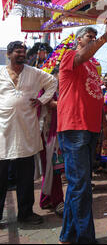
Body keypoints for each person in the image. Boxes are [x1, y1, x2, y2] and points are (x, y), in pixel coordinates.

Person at [57, 26, 107, 244]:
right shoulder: (70, 56)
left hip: (90, 128)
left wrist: (105, 126)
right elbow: (83, 54)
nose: (93, 41)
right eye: (90, 37)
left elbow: (97, 96)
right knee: (81, 184)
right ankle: (85, 238)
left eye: (95, 38)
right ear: (78, 40)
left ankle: (67, 236)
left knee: (79, 183)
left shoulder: (94, 66)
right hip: (74, 127)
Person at [0, 41, 57, 225]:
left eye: (23, 52)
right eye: (18, 51)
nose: (22, 54)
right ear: (8, 54)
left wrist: (42, 100)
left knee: (25, 176)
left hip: (27, 130)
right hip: (3, 131)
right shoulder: (1, 73)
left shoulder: (33, 73)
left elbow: (53, 82)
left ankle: (25, 213)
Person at [39, 67, 65, 217]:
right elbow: (50, 104)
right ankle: (58, 201)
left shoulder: (60, 90)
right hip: (47, 135)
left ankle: (45, 199)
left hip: (56, 135)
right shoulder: (48, 89)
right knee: (52, 168)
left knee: (52, 168)